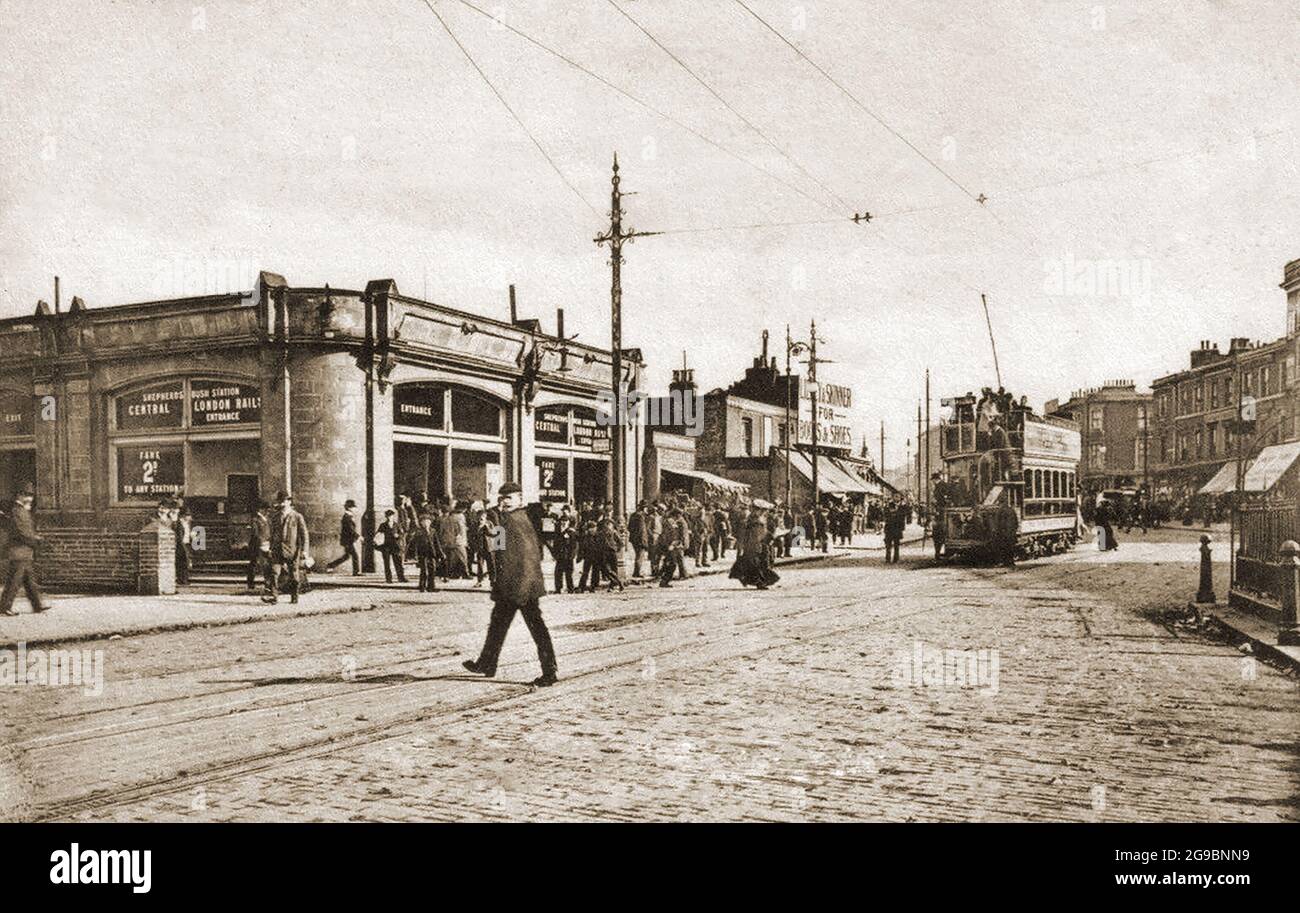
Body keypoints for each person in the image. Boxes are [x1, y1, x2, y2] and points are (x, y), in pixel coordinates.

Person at [462, 482, 558, 687]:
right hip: (515, 584)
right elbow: (498, 549)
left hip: (520, 586)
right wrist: (489, 531)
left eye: (510, 498)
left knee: (534, 627)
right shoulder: (513, 519)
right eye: (502, 498)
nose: (504, 501)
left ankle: (549, 671)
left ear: (520, 499)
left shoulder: (515, 519)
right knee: (498, 624)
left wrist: (491, 529)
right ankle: (487, 663)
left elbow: (520, 556)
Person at [1, 483, 48, 615]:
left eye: (31, 496)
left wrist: (33, 538)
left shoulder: (22, 510)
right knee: (14, 581)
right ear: (19, 496)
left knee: (29, 581)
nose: (30, 499)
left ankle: (37, 605)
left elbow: (26, 530)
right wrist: (35, 540)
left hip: (24, 551)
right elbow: (21, 532)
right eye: (27, 495)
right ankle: (4, 608)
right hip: (19, 550)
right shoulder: (17, 510)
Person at [263, 491, 308, 604]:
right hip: (277, 549)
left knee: (294, 575)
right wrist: (270, 547)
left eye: (284, 501)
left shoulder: (297, 517)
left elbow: (304, 535)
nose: (282, 504)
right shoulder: (275, 517)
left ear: (289, 502)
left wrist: (305, 550)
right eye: (280, 501)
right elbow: (272, 534)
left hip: (292, 550)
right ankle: (274, 597)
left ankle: (294, 596)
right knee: (274, 572)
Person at [729, 500, 780, 589]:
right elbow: (756, 533)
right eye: (763, 510)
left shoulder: (758, 518)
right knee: (756, 564)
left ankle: (755, 581)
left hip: (757, 544)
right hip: (754, 544)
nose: (765, 512)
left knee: (757, 563)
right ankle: (759, 583)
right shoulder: (755, 519)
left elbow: (763, 532)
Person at [326, 499, 362, 575]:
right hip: (347, 540)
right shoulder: (347, 517)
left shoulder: (348, 516)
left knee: (347, 556)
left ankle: (330, 565)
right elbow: (350, 529)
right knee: (355, 555)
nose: (354, 509)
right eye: (353, 507)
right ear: (349, 508)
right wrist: (358, 536)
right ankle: (356, 572)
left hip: (348, 540)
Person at [409, 514, 442, 592]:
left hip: (432, 553)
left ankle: (431, 587)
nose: (426, 523)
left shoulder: (433, 531)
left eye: (428, 521)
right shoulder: (419, 532)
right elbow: (415, 544)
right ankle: (422, 586)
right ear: (421, 523)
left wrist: (440, 553)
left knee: (432, 570)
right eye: (424, 522)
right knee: (424, 570)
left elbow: (436, 543)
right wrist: (415, 554)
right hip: (422, 553)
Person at [657, 508, 688, 588]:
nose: (679, 516)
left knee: (670, 563)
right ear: (675, 515)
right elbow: (667, 535)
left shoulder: (673, 522)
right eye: (678, 515)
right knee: (672, 564)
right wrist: (670, 545)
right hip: (671, 545)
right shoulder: (669, 522)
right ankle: (664, 580)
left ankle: (662, 578)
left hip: (674, 545)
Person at [438, 502, 469, 580]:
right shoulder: (455, 518)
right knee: (462, 557)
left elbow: (440, 532)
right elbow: (459, 530)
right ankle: (464, 573)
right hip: (456, 541)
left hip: (447, 541)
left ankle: (451, 574)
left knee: (450, 559)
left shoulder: (442, 519)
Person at [246, 500, 271, 591]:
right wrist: (262, 543)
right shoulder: (255, 520)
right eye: (266, 510)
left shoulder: (267, 519)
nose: (267, 512)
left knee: (266, 565)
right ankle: (250, 584)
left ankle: (267, 584)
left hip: (266, 545)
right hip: (256, 546)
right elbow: (256, 534)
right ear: (261, 509)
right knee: (254, 564)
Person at [376, 509, 407, 583]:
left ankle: (401, 578)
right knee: (387, 563)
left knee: (398, 562)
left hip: (395, 546)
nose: (390, 517)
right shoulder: (383, 525)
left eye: (391, 516)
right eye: (388, 516)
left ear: (393, 516)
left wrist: (398, 535)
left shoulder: (397, 525)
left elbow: (402, 534)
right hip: (386, 546)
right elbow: (378, 534)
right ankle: (388, 579)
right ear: (386, 517)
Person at [552, 515, 577, 594]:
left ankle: (570, 588)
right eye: (562, 521)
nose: (563, 523)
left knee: (569, 573)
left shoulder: (571, 532)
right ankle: (558, 589)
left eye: (565, 521)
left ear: (568, 522)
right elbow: (555, 544)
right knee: (558, 573)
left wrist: (572, 555)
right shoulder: (558, 532)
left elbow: (574, 545)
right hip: (560, 556)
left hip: (568, 556)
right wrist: (555, 554)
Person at [599, 517, 625, 592]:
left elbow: (620, 543)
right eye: (606, 525)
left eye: (609, 525)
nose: (607, 526)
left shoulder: (614, 533)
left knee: (614, 569)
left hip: (612, 552)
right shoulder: (601, 533)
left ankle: (612, 586)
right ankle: (619, 581)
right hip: (604, 553)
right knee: (606, 570)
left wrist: (617, 549)